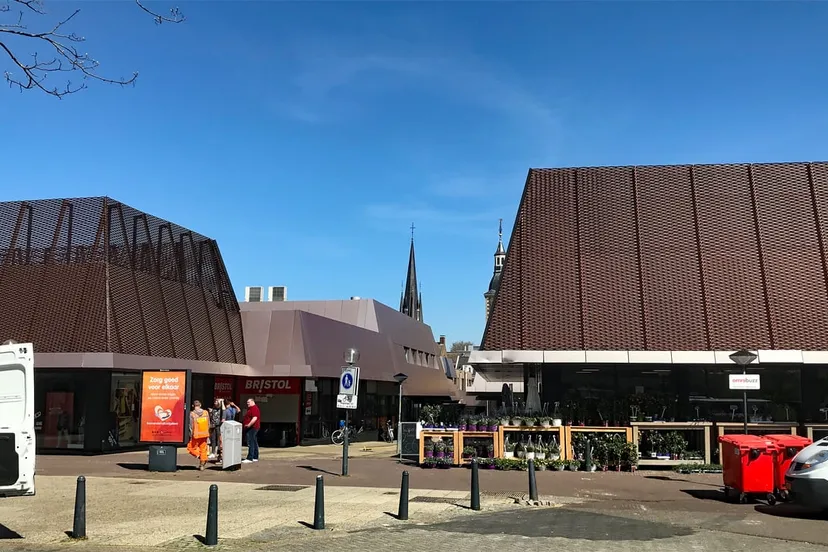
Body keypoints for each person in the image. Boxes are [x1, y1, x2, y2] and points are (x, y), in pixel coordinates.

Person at [187, 400, 210, 470]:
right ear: (200, 405)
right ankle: (202, 464)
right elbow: (208, 423)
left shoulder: (192, 414)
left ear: (193, 406)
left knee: (190, 448)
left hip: (196, 435)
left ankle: (199, 456)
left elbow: (191, 426)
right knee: (203, 449)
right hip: (205, 434)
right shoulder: (206, 412)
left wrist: (190, 435)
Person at [242, 398, 261, 464]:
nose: (247, 403)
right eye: (247, 402)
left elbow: (255, 418)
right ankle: (255, 457)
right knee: (254, 441)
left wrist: (249, 425)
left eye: (248, 402)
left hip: (252, 427)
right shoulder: (251, 408)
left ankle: (250, 457)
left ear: (252, 402)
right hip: (252, 427)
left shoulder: (254, 408)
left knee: (250, 442)